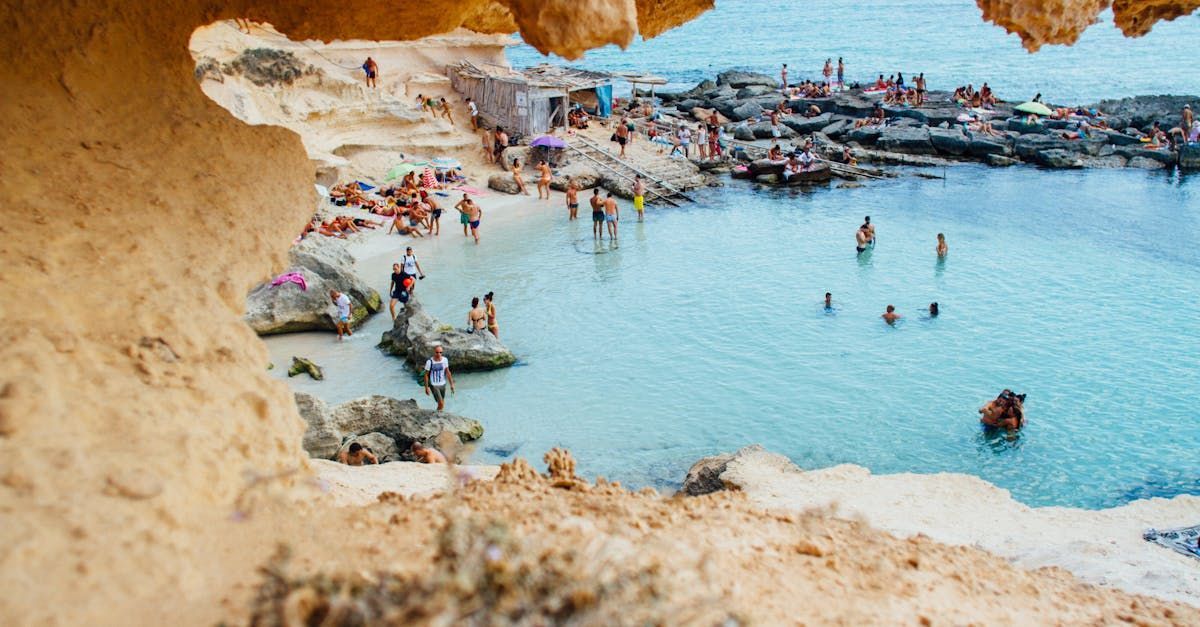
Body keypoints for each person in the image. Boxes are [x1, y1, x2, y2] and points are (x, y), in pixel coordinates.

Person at [423, 345, 454, 411]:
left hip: (443, 384)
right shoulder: (429, 362)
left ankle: (439, 414)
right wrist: (426, 388)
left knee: (442, 402)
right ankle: (437, 415)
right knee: (441, 403)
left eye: (440, 352)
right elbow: (426, 375)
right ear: (434, 352)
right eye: (437, 352)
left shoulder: (445, 360)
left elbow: (448, 372)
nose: (439, 354)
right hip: (434, 385)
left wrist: (451, 385)